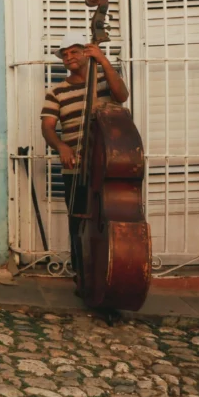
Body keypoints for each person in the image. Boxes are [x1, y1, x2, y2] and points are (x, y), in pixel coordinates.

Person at [40, 32, 129, 290]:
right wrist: (61, 146)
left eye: (74, 51)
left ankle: (114, 272)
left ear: (86, 53)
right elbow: (47, 127)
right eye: (64, 54)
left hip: (110, 164)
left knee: (112, 221)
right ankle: (83, 278)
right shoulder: (56, 92)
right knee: (78, 224)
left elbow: (122, 96)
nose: (69, 57)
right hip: (75, 168)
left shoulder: (104, 81)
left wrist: (103, 61)